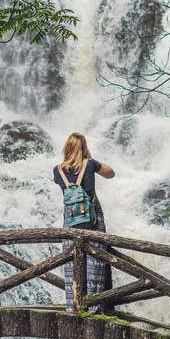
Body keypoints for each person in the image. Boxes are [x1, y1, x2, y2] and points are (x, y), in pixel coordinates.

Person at [53, 132, 115, 313]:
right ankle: (94, 308)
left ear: (67, 148)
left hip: (71, 222)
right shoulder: (90, 164)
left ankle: (74, 307)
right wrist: (91, 160)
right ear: (84, 148)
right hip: (93, 219)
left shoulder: (57, 170)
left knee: (71, 264)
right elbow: (110, 174)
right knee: (96, 263)